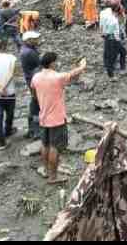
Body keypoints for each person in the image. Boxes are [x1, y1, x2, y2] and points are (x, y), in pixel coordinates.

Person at [31, 52, 86, 184]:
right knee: (55, 147)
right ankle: (53, 177)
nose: (57, 64)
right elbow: (73, 74)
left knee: (45, 144)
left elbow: (33, 92)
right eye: (56, 61)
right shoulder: (57, 77)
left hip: (43, 116)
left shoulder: (36, 77)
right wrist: (82, 65)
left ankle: (45, 169)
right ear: (51, 63)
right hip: (56, 118)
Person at [20, 31, 42, 139]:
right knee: (36, 104)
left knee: (34, 104)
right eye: (35, 39)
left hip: (31, 79)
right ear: (28, 40)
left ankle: (32, 129)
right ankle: (35, 130)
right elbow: (39, 65)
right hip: (34, 80)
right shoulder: (30, 53)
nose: (37, 40)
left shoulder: (27, 50)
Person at [100, 0, 125, 80]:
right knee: (112, 56)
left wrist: (103, 32)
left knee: (115, 53)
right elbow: (112, 31)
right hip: (112, 38)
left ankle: (119, 68)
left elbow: (102, 25)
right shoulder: (113, 19)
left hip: (108, 37)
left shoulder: (105, 13)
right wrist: (118, 39)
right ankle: (111, 75)